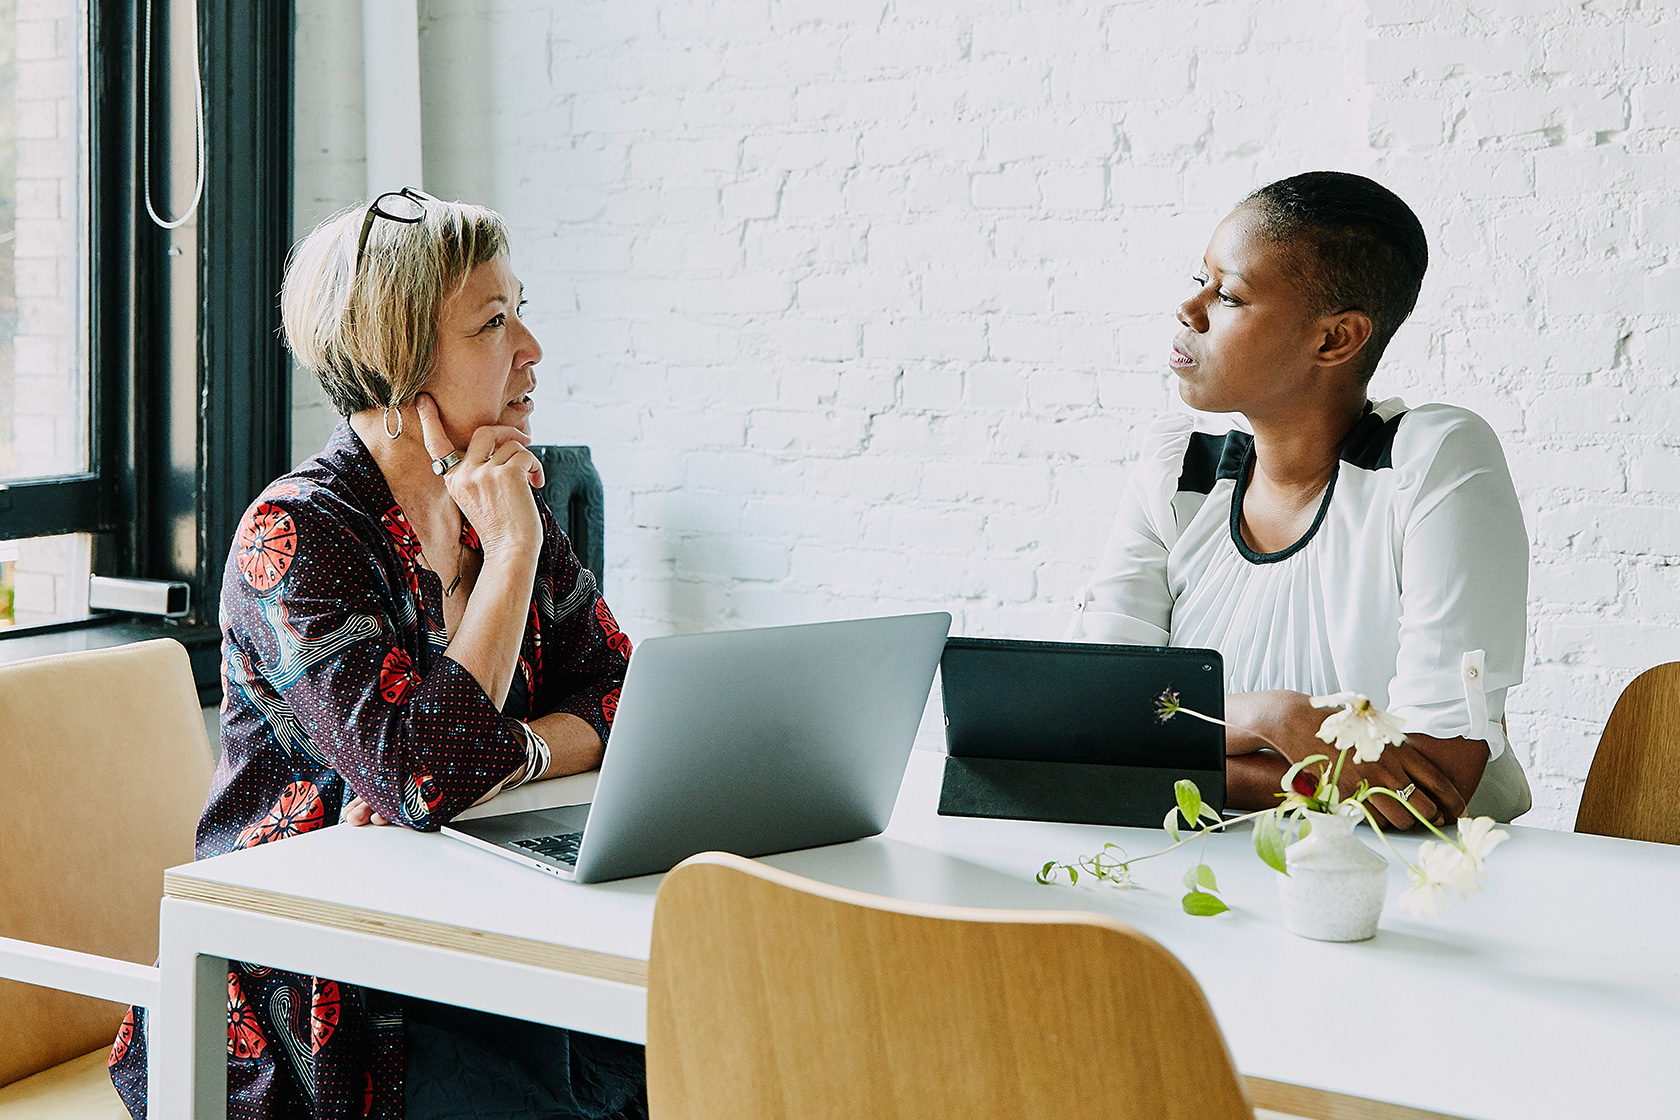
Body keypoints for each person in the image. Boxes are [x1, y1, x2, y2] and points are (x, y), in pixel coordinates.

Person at [109, 190, 647, 1119]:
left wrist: (510, 755)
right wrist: (512, 562)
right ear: (402, 365)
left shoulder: (502, 495)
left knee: (701, 1049)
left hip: (475, 939)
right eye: (493, 322)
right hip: (320, 995)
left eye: (521, 311)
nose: (531, 350)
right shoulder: (297, 534)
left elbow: (627, 694)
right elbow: (421, 776)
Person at [1067, 171, 1532, 827]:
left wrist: (1171, 754)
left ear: (1334, 339)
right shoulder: (1178, 471)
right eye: (1198, 280)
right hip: (1194, 878)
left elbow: (1432, 790)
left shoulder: (1432, 462)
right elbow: (1092, 727)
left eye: (1228, 295)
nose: (1190, 310)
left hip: (1397, 897)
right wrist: (1273, 717)